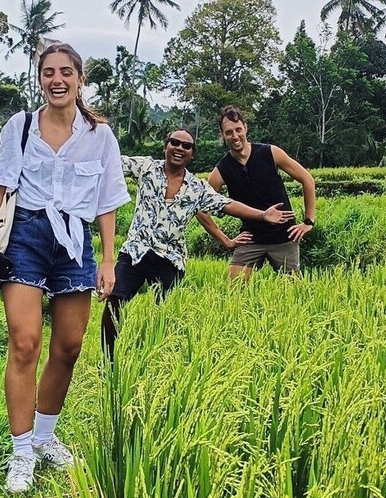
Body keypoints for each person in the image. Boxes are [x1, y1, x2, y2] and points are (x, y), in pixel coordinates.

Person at [0, 43, 130, 494]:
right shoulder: (21, 126)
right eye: (48, 72)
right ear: (39, 78)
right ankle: (21, 451)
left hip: (76, 242)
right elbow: (0, 182)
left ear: (80, 79)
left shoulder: (100, 135)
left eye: (66, 72)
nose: (57, 80)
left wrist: (106, 258)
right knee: (25, 343)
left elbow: (105, 203)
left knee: (69, 346)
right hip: (25, 235)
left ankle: (44, 439)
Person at [100, 128, 295, 360]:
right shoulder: (146, 168)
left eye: (187, 146)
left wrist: (262, 215)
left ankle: (156, 357)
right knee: (115, 301)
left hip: (171, 258)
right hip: (137, 250)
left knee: (165, 312)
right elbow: (111, 161)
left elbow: (227, 204)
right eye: (175, 143)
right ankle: (107, 360)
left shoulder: (197, 188)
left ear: (192, 155)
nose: (180, 148)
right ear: (165, 147)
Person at [196, 105, 317, 279]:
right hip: (250, 239)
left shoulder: (271, 153)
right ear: (222, 135)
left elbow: (307, 179)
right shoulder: (220, 171)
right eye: (229, 132)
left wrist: (308, 221)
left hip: (284, 236)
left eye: (238, 129)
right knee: (234, 292)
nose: (235, 136)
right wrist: (225, 240)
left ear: (245, 127)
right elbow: (200, 209)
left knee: (294, 294)